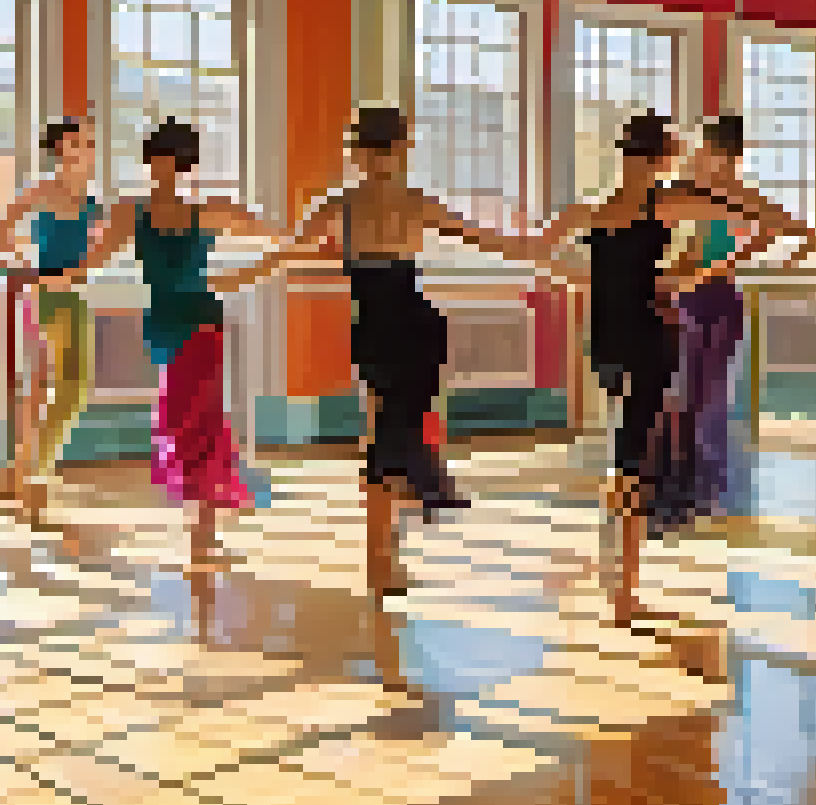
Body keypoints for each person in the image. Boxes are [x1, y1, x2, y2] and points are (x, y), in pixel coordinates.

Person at [221, 106, 563, 594]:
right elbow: (497, 242)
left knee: (384, 438)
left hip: (377, 328)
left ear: (357, 152)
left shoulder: (339, 203)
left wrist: (238, 277)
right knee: (397, 437)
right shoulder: (415, 201)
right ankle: (399, 536)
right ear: (403, 148)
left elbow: (283, 254)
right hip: (416, 325)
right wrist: (552, 251)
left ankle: (383, 558)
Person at [540, 112, 771, 627]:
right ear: (663, 156)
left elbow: (536, 253)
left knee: (622, 448)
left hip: (606, 336)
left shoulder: (591, 209)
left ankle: (615, 575)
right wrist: (691, 271)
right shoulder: (666, 201)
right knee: (633, 458)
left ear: (625, 153)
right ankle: (624, 592)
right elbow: (773, 222)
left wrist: (596, 280)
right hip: (648, 334)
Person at [44, 118, 284, 573]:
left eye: (172, 161)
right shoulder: (131, 211)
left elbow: (270, 234)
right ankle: (202, 535)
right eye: (158, 159)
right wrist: (55, 278)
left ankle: (203, 536)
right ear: (151, 162)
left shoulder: (207, 211)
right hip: (165, 325)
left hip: (202, 324)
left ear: (184, 165)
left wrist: (285, 251)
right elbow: (94, 259)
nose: (164, 168)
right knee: (182, 423)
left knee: (202, 426)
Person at [664, 116, 812, 516]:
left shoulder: (743, 196)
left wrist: (744, 258)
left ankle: (706, 483)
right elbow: (682, 247)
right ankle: (683, 480)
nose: (697, 154)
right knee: (681, 389)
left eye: (704, 148)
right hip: (685, 297)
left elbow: (802, 232)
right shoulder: (689, 192)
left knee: (710, 394)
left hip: (719, 297)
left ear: (723, 154)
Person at [0, 117, 101, 526]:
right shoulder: (43, 191)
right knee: (45, 389)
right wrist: (30, 268)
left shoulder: (91, 200)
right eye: (76, 143)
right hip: (45, 296)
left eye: (87, 143)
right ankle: (31, 475)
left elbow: (97, 248)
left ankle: (22, 472)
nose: (84, 150)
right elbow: (0, 231)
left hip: (73, 296)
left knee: (68, 388)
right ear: (59, 150)